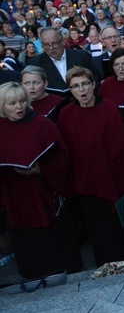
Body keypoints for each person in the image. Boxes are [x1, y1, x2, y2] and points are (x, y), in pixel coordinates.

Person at [57, 67, 124, 266]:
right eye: (75, 86)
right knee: (97, 229)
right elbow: (66, 151)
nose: (82, 90)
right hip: (87, 184)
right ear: (70, 90)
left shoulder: (110, 109)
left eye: (85, 83)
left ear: (94, 84)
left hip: (114, 179)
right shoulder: (66, 115)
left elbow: (123, 147)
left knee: (119, 226)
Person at [0, 82, 81, 279]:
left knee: (50, 230)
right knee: (24, 234)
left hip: (41, 189)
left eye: (21, 101)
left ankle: (61, 268)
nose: (18, 107)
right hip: (13, 192)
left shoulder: (41, 123)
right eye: (12, 104)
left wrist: (41, 169)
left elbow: (61, 154)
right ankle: (32, 271)